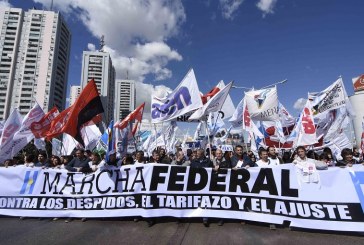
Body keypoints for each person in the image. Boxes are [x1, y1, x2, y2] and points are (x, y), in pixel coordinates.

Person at [190, 149, 213, 227]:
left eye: (198, 154)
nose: (197, 155)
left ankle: (205, 218)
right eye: (196, 154)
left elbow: (212, 171)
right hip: (196, 185)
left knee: (205, 201)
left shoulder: (208, 162)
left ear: (203, 154)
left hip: (206, 184)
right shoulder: (193, 162)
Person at [212, 149, 231, 226]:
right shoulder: (212, 161)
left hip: (224, 183)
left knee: (222, 200)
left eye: (220, 153)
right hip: (214, 183)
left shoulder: (227, 160)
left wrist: (219, 166)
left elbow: (228, 166)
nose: (219, 155)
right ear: (215, 154)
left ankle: (221, 218)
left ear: (222, 154)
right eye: (217, 153)